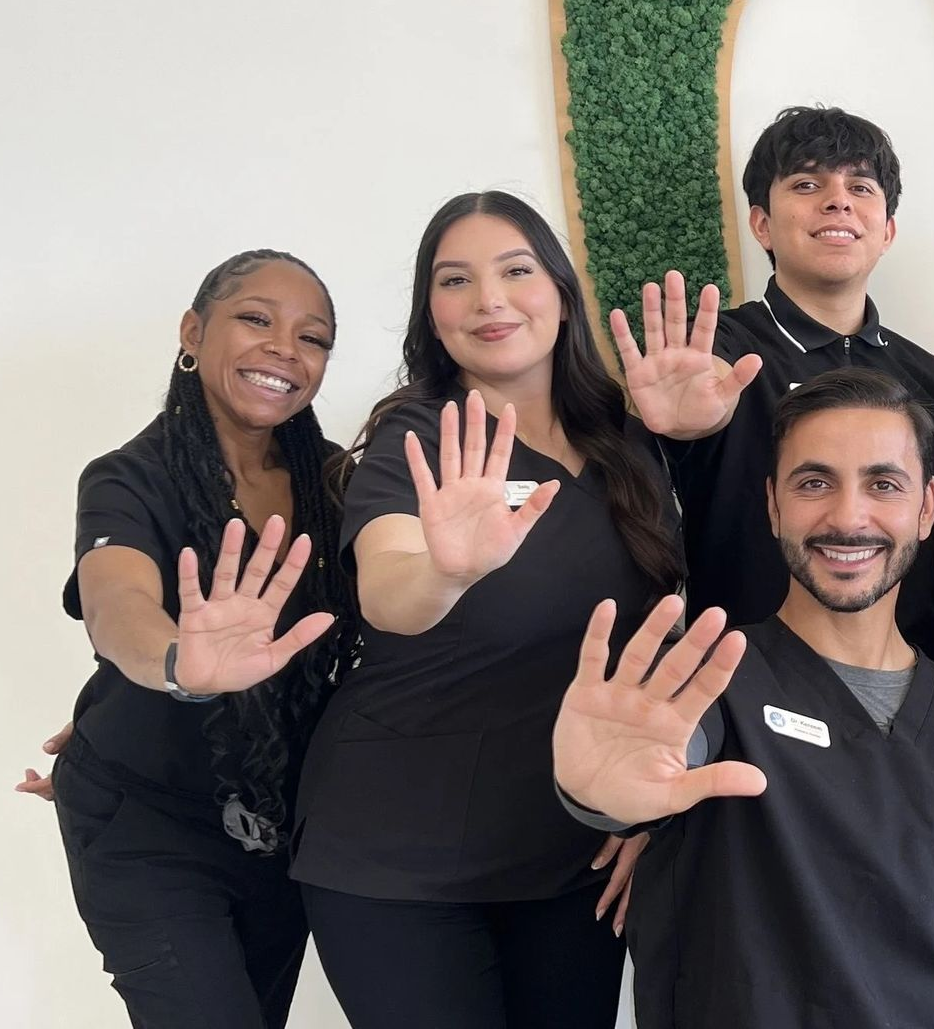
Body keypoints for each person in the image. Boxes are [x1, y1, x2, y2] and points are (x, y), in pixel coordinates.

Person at [555, 369, 934, 1028]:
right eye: (814, 482)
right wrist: (595, 796)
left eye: (883, 484)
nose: (848, 517)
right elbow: (653, 758)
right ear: (773, 503)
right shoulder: (705, 682)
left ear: (927, 507)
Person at [290, 192, 679, 1028]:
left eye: (515, 270)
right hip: (396, 855)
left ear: (562, 289)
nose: (489, 300)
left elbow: (668, 642)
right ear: (431, 316)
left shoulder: (627, 439)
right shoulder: (417, 435)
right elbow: (387, 591)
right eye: (454, 280)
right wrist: (444, 569)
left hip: (569, 849)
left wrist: (648, 805)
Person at [54, 249, 353, 1028]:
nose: (286, 347)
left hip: (280, 829)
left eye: (313, 336)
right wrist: (179, 664)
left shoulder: (335, 484)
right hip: (144, 821)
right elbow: (115, 601)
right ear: (193, 330)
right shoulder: (127, 477)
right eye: (256, 318)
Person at [613, 105, 934, 658]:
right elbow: (707, 388)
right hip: (742, 688)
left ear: (887, 230)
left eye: (861, 186)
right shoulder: (721, 355)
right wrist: (688, 420)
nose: (838, 200)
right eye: (808, 183)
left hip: (915, 692)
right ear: (761, 223)